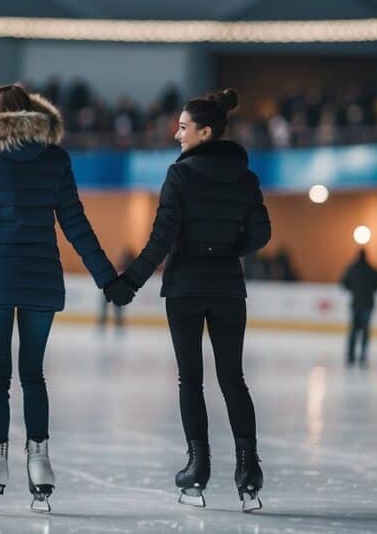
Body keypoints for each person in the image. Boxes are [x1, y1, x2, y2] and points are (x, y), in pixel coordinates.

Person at [0, 84, 118, 514]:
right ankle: (40, 463)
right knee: (32, 374)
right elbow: (75, 222)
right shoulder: (54, 157)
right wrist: (107, 278)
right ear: (31, 113)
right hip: (40, 278)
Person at [108, 88, 271, 512]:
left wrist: (129, 282)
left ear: (205, 131)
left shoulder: (179, 176)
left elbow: (162, 238)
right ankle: (248, 467)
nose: (176, 134)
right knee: (233, 378)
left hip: (184, 288)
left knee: (191, 379)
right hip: (228, 287)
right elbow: (261, 234)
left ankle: (198, 466)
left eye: (183, 128)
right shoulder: (246, 177)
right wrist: (228, 249)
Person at [341, 249, 377, 368]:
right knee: (365, 331)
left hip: (356, 303)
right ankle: (363, 355)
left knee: (353, 330)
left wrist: (354, 290)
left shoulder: (352, 269)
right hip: (368, 304)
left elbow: (344, 283)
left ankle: (351, 356)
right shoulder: (372, 269)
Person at [96, 250, 133, 333]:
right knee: (109, 304)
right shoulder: (120, 267)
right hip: (111, 285)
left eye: (124, 257)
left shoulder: (127, 267)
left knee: (117, 305)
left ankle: (116, 321)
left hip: (116, 287)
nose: (122, 258)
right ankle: (107, 321)